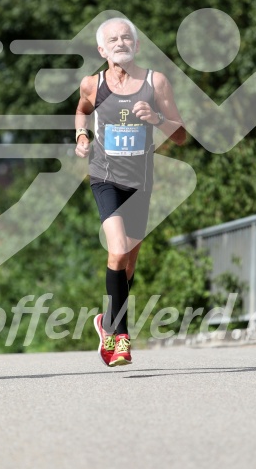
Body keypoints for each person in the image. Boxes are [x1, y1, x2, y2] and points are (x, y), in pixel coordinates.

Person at [75, 18, 186, 367]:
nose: (120, 42)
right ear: (101, 50)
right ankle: (120, 338)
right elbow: (81, 111)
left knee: (127, 263)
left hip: (141, 183)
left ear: (137, 46)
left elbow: (181, 134)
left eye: (127, 37)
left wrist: (156, 119)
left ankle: (105, 323)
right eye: (113, 39)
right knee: (118, 249)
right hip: (105, 177)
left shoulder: (156, 82)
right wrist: (81, 136)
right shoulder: (92, 84)